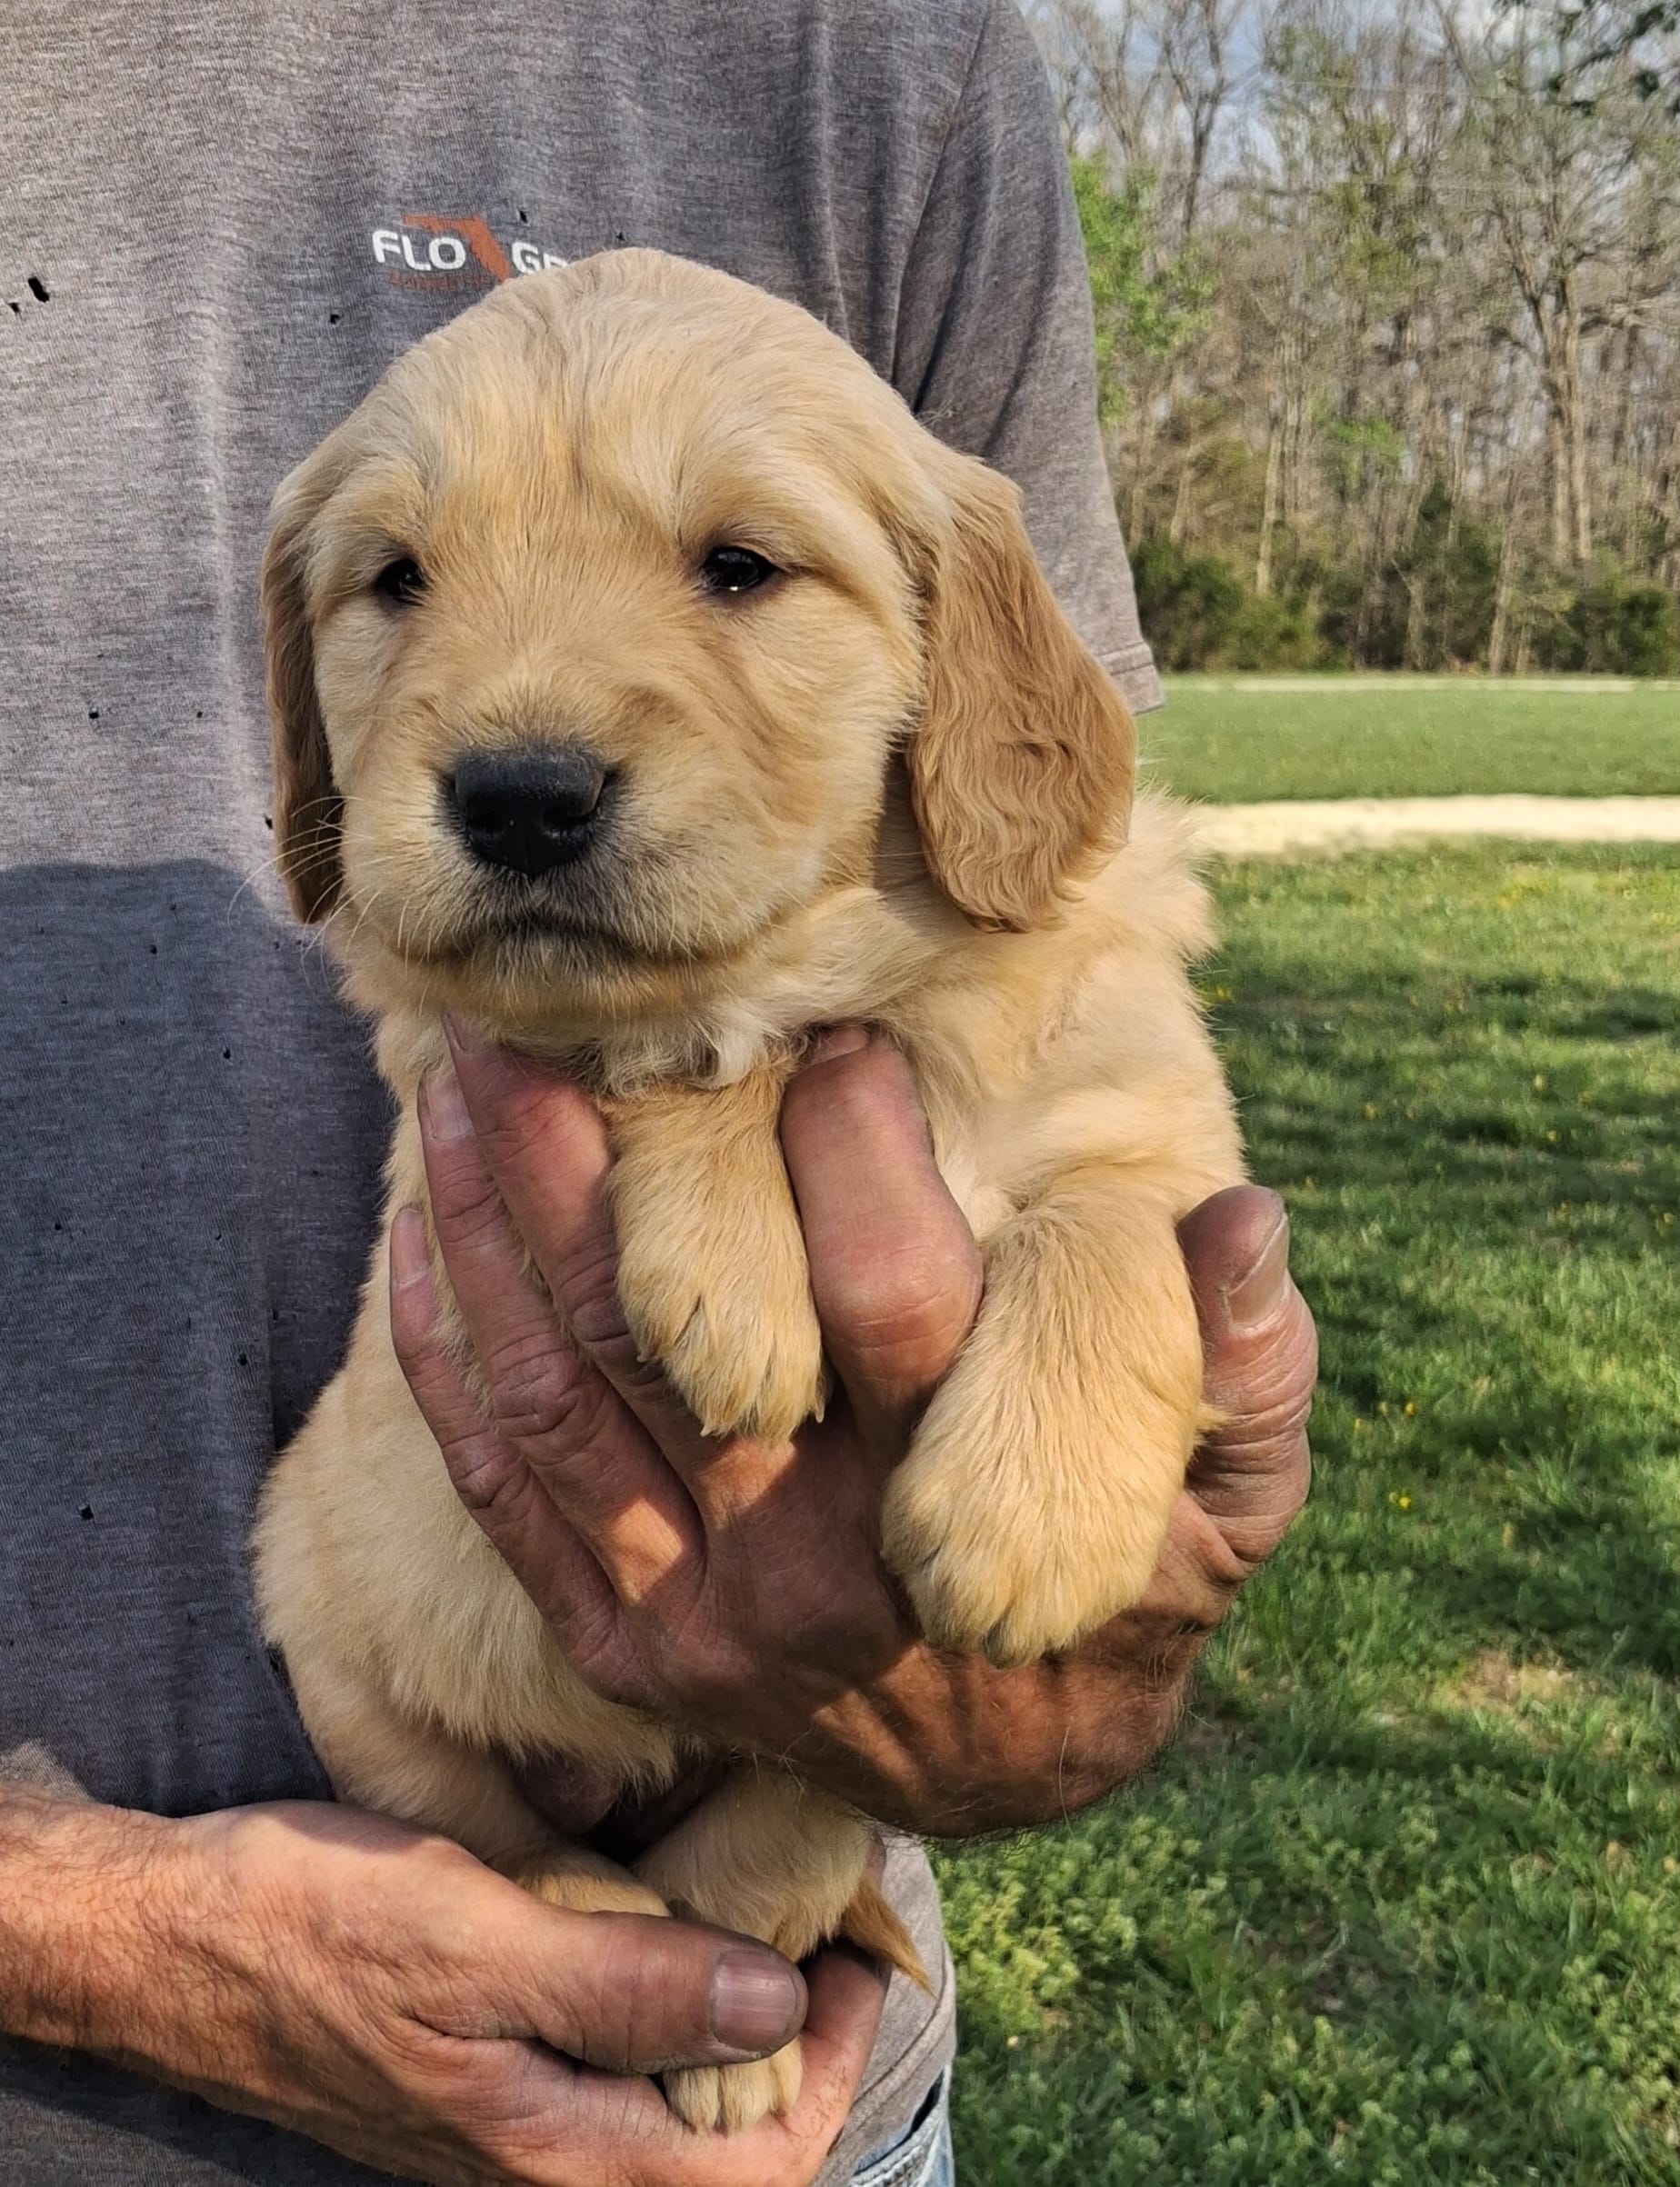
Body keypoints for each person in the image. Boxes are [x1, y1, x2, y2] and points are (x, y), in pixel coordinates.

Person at [0, 3, 1316, 2182]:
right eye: (394, 583)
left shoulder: (865, 52)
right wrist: (87, 1928)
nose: (515, 725)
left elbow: (1091, 1077)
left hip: (794, 2117)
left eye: (735, 568)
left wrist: (1052, 1590)